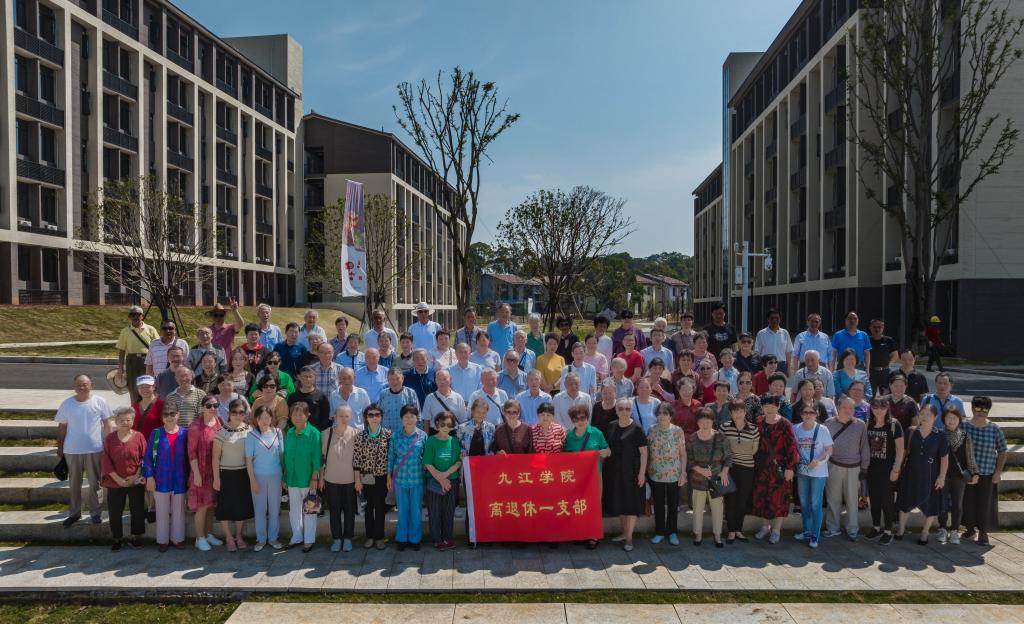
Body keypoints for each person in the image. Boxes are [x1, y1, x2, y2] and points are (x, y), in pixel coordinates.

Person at [56, 374, 113, 527]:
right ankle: (74, 513)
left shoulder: (100, 401)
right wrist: (60, 446)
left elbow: (107, 423)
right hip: (72, 450)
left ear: (91, 385)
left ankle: (95, 513)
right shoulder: (67, 404)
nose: (82, 387)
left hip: (95, 449)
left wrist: (108, 444)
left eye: (85, 384)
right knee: (74, 483)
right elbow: (62, 427)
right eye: (79, 385)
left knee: (95, 483)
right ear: (74, 387)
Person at [896, 404, 949, 544]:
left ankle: (925, 532)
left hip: (931, 473)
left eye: (928, 414)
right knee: (905, 500)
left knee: (931, 503)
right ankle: (901, 529)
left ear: (935, 417)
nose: (924, 417)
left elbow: (944, 457)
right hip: (910, 471)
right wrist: (897, 468)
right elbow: (904, 452)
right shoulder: (911, 431)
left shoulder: (940, 435)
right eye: (922, 413)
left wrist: (942, 476)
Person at [603, 398, 649, 552]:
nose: (624, 411)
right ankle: (624, 533)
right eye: (621, 408)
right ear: (616, 411)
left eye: (627, 409)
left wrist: (642, 473)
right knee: (620, 503)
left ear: (631, 411)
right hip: (614, 472)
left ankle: (629, 538)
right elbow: (607, 447)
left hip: (632, 473)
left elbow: (644, 453)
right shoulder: (611, 426)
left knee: (631, 505)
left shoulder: (637, 428)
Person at [752, 395, 798, 544]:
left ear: (778, 407)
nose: (769, 409)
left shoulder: (785, 424)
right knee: (763, 497)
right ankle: (765, 527)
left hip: (780, 467)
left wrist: (790, 467)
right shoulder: (758, 421)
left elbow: (792, 447)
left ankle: (777, 530)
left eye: (773, 407)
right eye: (766, 407)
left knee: (779, 499)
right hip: (762, 467)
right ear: (762, 408)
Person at [961, 396, 1007, 546]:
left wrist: (998, 472)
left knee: (985, 504)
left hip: (987, 473)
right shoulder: (964, 426)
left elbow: (1002, 451)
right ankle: (969, 529)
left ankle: (983, 532)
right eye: (978, 408)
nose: (981, 412)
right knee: (967, 503)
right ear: (972, 408)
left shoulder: (995, 429)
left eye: (985, 409)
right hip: (968, 474)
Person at [823, 397, 870, 541]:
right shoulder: (828, 423)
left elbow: (864, 447)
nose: (848, 410)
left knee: (852, 501)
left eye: (851, 408)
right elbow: (822, 445)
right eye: (845, 407)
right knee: (833, 499)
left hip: (854, 468)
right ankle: (833, 528)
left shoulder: (860, 425)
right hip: (833, 466)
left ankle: (852, 529)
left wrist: (864, 468)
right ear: (838, 408)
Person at [143, 405, 189, 552]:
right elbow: (148, 456)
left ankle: (177, 539)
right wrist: (149, 476)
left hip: (180, 479)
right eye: (166, 414)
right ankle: (163, 540)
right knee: (162, 511)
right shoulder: (156, 433)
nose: (169, 417)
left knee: (178, 511)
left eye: (172, 413)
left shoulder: (185, 433)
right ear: (162, 417)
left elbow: (190, 457)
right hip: (160, 478)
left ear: (178, 415)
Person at [212, 398, 254, 551]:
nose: (238, 415)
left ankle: (239, 536)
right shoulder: (221, 432)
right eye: (234, 412)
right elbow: (215, 458)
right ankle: (229, 537)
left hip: (243, 474)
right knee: (225, 507)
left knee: (240, 507)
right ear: (229, 413)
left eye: (241, 412)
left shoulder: (250, 430)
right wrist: (216, 479)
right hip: (226, 474)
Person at [102, 406, 146, 550]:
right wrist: (118, 480)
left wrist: (136, 476)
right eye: (122, 420)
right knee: (115, 511)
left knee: (137, 510)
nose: (125, 423)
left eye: (128, 420)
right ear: (116, 421)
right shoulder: (110, 439)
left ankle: (136, 537)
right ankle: (117, 539)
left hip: (135, 481)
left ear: (133, 421)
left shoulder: (139, 436)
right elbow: (106, 462)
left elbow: (144, 458)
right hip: (115, 482)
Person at [687, 407, 731, 547]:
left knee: (717, 509)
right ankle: (698, 534)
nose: (705, 424)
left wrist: (724, 472)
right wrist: (700, 470)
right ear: (697, 422)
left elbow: (728, 457)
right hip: (698, 479)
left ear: (712, 421)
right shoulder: (692, 438)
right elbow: (689, 460)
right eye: (702, 421)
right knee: (697, 508)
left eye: (708, 421)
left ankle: (717, 536)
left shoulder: (720, 437)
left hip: (716, 479)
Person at [865, 396, 905, 545]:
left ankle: (888, 530)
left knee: (887, 500)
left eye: (882, 407)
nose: (878, 410)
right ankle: (876, 527)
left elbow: (901, 449)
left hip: (888, 470)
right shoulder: (868, 424)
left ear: (887, 408)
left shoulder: (894, 424)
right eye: (875, 407)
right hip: (872, 469)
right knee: (874, 499)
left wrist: (896, 469)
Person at [792, 403, 833, 549]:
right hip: (802, 471)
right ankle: (806, 531)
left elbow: (829, 450)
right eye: (805, 412)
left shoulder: (822, 429)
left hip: (819, 472)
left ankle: (815, 535)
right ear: (801, 414)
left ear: (816, 414)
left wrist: (818, 461)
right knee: (803, 502)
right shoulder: (795, 428)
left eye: (811, 412)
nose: (808, 415)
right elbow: (792, 447)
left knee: (815, 504)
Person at [282, 402, 322, 552]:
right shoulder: (289, 433)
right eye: (294, 414)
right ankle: (296, 537)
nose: (297, 417)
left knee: (310, 510)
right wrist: (284, 477)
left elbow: (317, 458)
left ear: (307, 415)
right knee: (294, 510)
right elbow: (286, 456)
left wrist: (314, 477)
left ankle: (309, 540)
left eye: (301, 414)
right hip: (292, 478)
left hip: (307, 479)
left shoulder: (313, 433)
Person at [388, 405, 428, 551]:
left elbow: (426, 458)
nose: (409, 419)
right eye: (406, 416)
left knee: (416, 510)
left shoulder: (423, 436)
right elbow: (391, 457)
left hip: (417, 479)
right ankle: (402, 538)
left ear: (417, 418)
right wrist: (388, 477)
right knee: (402, 510)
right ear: (401, 419)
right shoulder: (395, 436)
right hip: (400, 479)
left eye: (412, 416)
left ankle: (415, 539)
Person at [244, 405, 284, 551]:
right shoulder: (251, 435)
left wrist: (283, 477)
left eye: (267, 417)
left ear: (271, 418)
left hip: (276, 476)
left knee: (274, 508)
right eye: (261, 418)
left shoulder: (278, 433)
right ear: (256, 419)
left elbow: (282, 455)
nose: (264, 421)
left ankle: (273, 538)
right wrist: (252, 481)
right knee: (260, 509)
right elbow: (248, 460)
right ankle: (261, 539)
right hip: (258, 477)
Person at [353, 405, 392, 550]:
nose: (374, 417)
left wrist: (389, 478)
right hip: (366, 477)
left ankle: (380, 537)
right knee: (368, 508)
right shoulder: (360, 436)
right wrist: (357, 480)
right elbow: (356, 461)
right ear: (366, 417)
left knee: (380, 508)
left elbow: (391, 458)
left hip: (382, 477)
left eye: (377, 415)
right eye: (371, 415)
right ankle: (370, 537)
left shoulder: (388, 435)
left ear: (381, 417)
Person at [720, 398, 759, 543]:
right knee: (730, 500)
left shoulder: (753, 429)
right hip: (729, 468)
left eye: (741, 411)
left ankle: (738, 530)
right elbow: (721, 447)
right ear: (730, 413)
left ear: (745, 412)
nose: (738, 414)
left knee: (742, 500)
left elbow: (754, 449)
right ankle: (731, 531)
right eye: (735, 411)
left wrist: (742, 455)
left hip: (747, 468)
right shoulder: (724, 427)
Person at [647, 402, 686, 545]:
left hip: (674, 474)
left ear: (671, 416)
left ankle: (672, 532)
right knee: (658, 504)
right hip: (655, 474)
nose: (661, 416)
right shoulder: (651, 430)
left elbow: (683, 454)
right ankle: (659, 532)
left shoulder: (677, 431)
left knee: (673, 504)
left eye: (665, 413)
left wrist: (683, 473)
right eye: (659, 413)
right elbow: (647, 452)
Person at [321, 405, 359, 552]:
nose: (343, 419)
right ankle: (336, 539)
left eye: (346, 416)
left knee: (350, 511)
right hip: (331, 479)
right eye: (340, 416)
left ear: (351, 417)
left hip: (350, 480)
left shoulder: (356, 434)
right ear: (335, 417)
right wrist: (321, 478)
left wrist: (358, 480)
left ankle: (348, 538)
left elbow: (358, 460)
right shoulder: (326, 433)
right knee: (334, 511)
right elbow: (322, 459)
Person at [938, 406, 978, 545]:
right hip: (941, 475)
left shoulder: (965, 436)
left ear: (959, 419)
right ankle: (942, 529)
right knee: (942, 503)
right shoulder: (938, 434)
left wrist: (974, 472)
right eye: (948, 417)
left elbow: (970, 456)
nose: (951, 420)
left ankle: (955, 530)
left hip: (959, 476)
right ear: (943, 419)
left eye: (954, 417)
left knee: (957, 504)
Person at [187, 397, 223, 551]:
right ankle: (199, 537)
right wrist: (196, 474)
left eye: (215, 405)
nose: (212, 408)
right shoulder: (195, 426)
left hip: (215, 471)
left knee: (211, 505)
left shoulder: (219, 422)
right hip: (200, 471)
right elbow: (191, 452)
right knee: (202, 506)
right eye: (209, 405)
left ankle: (208, 534)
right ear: (202, 408)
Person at [424, 411, 461, 551]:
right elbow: (427, 463)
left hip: (451, 481)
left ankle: (448, 537)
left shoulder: (454, 440)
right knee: (434, 511)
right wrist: (440, 479)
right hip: (434, 481)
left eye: (449, 425)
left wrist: (445, 475)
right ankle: (437, 539)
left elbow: (458, 461)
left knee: (449, 511)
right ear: (437, 424)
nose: (446, 427)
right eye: (443, 424)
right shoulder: (431, 441)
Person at [117, 305, 160, 401]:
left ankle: (148, 407)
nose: (135, 317)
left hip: (148, 361)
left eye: (138, 314)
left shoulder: (151, 329)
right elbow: (121, 350)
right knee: (133, 387)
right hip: (131, 362)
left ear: (142, 316)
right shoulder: (125, 331)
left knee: (148, 385)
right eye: (132, 315)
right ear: (129, 317)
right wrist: (120, 368)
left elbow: (157, 347)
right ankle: (135, 408)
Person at [379, 367, 420, 432]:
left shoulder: (410, 393)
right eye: (392, 379)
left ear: (402, 378)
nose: (395, 382)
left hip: (406, 434)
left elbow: (418, 415)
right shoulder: (383, 394)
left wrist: (417, 433)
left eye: (397, 379)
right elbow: (379, 415)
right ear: (388, 380)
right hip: (386, 433)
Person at [755, 309, 794, 375]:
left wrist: (788, 368)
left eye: (777, 318)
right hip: (767, 365)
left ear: (780, 319)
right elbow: (758, 352)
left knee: (781, 382)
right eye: (772, 318)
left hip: (781, 365)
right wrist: (759, 368)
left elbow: (788, 352)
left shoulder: (785, 333)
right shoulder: (761, 333)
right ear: (768, 319)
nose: (774, 320)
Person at [867, 319, 898, 395]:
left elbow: (895, 355)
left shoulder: (889, 340)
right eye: (874, 327)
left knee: (885, 396)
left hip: (885, 372)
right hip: (871, 372)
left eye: (879, 327)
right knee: (870, 396)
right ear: (870, 328)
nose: (877, 329)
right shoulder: (867, 340)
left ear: (883, 328)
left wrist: (887, 363)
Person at [132, 375, 164, 444]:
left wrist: (157, 444)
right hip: (137, 443)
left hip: (156, 443)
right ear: (138, 389)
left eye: (147, 386)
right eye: (141, 387)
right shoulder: (134, 406)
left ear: (154, 387)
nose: (144, 390)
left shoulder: (162, 405)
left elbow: (165, 427)